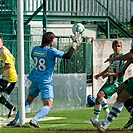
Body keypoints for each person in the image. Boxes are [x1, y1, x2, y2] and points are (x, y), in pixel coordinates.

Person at [7, 31, 81, 128]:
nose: (54, 41)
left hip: (35, 78)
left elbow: (33, 57)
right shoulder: (51, 51)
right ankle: (34, 120)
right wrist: (74, 44)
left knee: (29, 100)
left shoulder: (35, 49)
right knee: (48, 105)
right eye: (53, 39)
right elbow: (68, 56)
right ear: (50, 40)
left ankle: (15, 120)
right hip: (45, 80)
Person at [95, 15, 133, 132]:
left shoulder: (118, 57)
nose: (130, 29)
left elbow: (131, 55)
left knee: (120, 97)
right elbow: (131, 57)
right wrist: (123, 69)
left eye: (130, 27)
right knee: (120, 93)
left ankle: (104, 124)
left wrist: (116, 62)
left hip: (115, 82)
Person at [90, 40, 125, 126]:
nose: (117, 48)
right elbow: (109, 68)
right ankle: (95, 118)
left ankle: (107, 113)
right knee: (98, 98)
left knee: (99, 95)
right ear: (112, 47)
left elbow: (120, 73)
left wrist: (108, 74)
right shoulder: (111, 56)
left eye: (119, 46)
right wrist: (101, 74)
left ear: (121, 47)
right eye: (115, 46)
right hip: (109, 81)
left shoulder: (122, 58)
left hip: (116, 83)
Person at [0, 36, 17, 118]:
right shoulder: (2, 51)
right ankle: (11, 107)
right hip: (5, 77)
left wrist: (1, 69)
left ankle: (11, 107)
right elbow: (13, 59)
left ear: (1, 42)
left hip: (10, 78)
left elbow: (9, 65)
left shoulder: (4, 52)